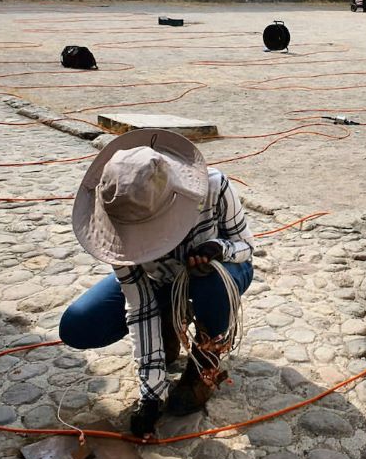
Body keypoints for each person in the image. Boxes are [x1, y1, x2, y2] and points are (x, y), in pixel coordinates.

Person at [60, 129, 255, 437]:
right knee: (79, 324)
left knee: (210, 280)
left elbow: (246, 247)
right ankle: (168, 328)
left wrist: (219, 248)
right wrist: (151, 395)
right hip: (159, 282)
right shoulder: (114, 223)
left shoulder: (215, 186)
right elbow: (139, 305)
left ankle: (203, 364)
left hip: (222, 275)